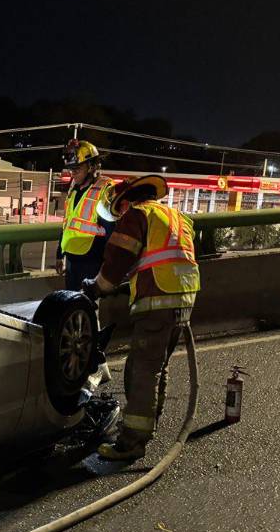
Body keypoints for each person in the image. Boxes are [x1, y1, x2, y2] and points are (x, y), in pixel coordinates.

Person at [84, 174, 200, 461]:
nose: (119, 216)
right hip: (183, 297)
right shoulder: (174, 215)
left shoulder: (136, 214)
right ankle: (148, 425)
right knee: (155, 366)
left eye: (117, 211)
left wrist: (96, 288)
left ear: (124, 201)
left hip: (157, 299)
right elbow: (159, 257)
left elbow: (118, 259)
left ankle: (132, 442)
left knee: (142, 372)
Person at [55, 139, 114, 291]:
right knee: (72, 303)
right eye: (71, 169)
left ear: (92, 166)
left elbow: (111, 231)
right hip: (72, 259)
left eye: (77, 168)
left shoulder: (105, 190)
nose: (72, 173)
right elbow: (67, 224)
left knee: (88, 304)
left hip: (92, 261)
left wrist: (109, 266)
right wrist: (59, 255)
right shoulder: (74, 190)